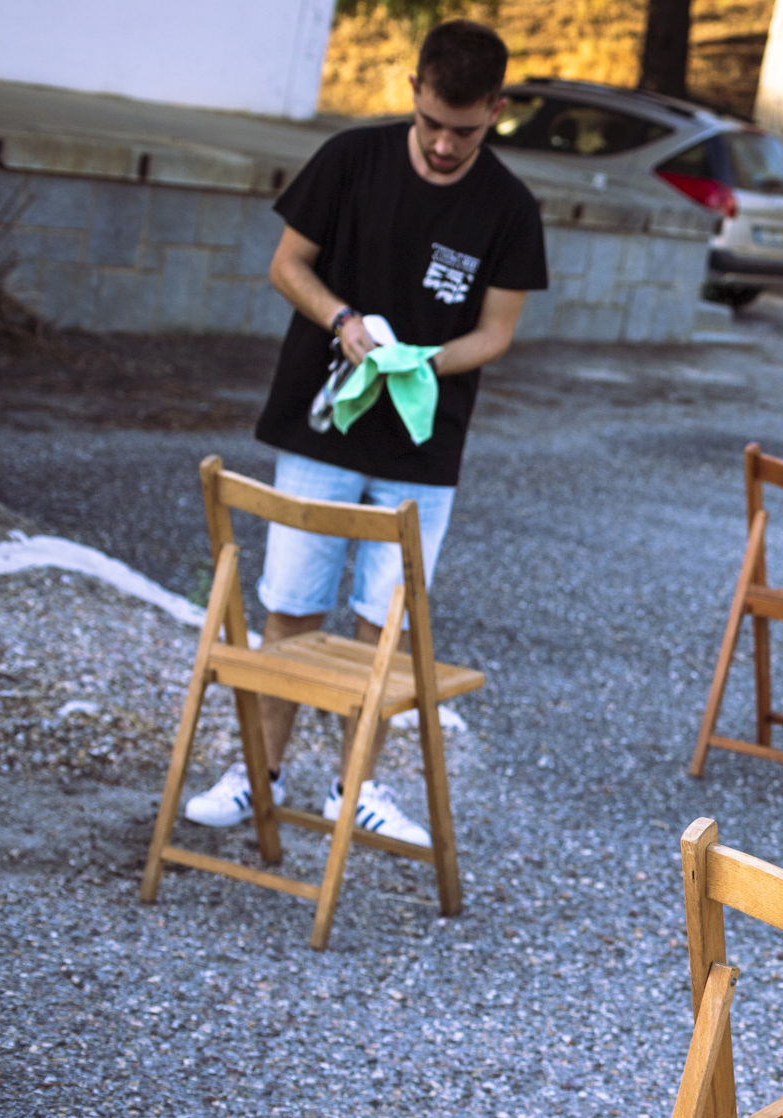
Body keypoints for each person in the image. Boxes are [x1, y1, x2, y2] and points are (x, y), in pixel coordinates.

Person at [181, 19, 547, 844]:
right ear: (413, 90)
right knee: (291, 607)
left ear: (496, 109)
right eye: (433, 125)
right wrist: (343, 322)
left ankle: (359, 788)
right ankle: (256, 775)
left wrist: (421, 361)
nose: (447, 146)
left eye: (467, 130)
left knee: (387, 627)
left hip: (424, 444)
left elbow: (497, 334)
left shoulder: (510, 208)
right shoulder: (350, 158)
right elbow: (286, 266)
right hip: (319, 425)